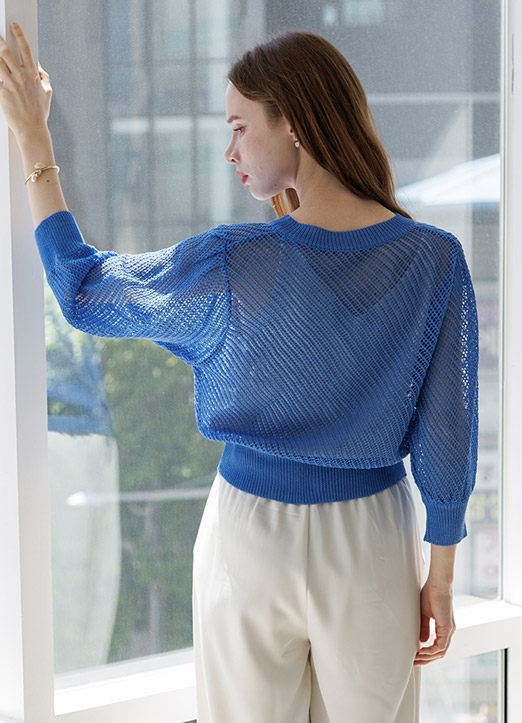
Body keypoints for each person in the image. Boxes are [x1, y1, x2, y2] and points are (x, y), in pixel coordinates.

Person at [0, 23, 479, 723]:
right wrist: (441, 576)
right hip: (374, 537)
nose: (229, 152)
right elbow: (448, 431)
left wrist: (34, 142)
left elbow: (84, 290)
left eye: (238, 127)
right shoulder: (433, 260)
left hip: (249, 534)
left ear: (295, 123)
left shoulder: (238, 263)